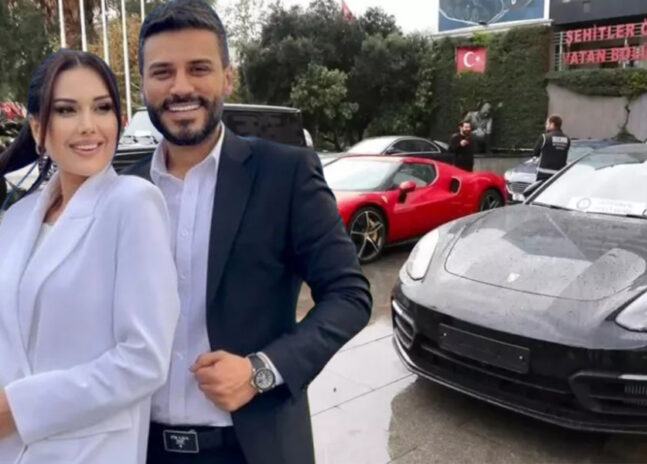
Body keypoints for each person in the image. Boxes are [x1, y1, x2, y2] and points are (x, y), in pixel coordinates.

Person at [123, 1, 372, 463]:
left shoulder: (285, 174)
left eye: (198, 68)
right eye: (162, 72)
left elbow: (349, 295)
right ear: (143, 85)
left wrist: (262, 370)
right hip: (138, 447)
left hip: (252, 448)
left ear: (227, 78)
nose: (181, 87)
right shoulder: (123, 191)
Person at [0, 49, 180, 464]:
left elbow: (145, 359)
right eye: (67, 110)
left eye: (102, 108)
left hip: (91, 453)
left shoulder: (133, 204)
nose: (88, 125)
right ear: (38, 128)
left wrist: (18, 409)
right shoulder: (18, 218)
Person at [532, 115, 571, 182]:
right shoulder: (567, 139)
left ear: (552, 124)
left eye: (547, 124)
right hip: (559, 175)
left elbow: (535, 153)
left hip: (544, 175)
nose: (546, 126)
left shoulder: (545, 137)